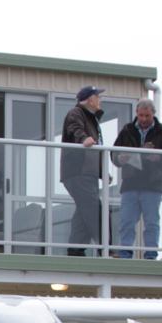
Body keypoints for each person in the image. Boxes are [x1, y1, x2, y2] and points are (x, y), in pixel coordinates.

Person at [111, 98, 162, 258]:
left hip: (153, 185)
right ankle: (125, 253)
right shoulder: (127, 130)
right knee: (126, 222)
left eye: (147, 115)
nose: (144, 119)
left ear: (153, 113)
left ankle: (151, 254)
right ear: (136, 114)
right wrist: (120, 159)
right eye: (141, 115)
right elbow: (113, 153)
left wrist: (158, 158)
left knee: (151, 223)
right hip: (131, 184)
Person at [60, 86, 106, 255]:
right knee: (94, 208)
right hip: (78, 171)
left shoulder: (91, 118)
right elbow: (75, 129)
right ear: (91, 99)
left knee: (84, 210)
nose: (100, 100)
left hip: (87, 172)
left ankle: (75, 250)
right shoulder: (76, 113)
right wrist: (83, 138)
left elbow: (95, 150)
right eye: (98, 96)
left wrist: (101, 172)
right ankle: (106, 248)